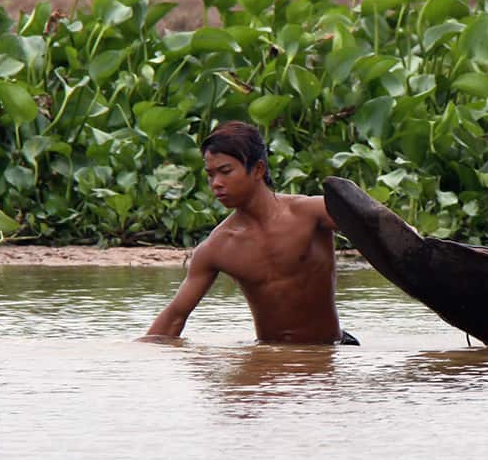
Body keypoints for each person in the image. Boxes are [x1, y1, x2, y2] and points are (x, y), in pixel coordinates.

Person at [141, 121, 356, 345]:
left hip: (327, 350)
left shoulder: (312, 213)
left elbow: (380, 231)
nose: (216, 184)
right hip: (267, 357)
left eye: (225, 172)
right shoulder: (216, 247)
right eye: (210, 175)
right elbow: (174, 318)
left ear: (258, 170)